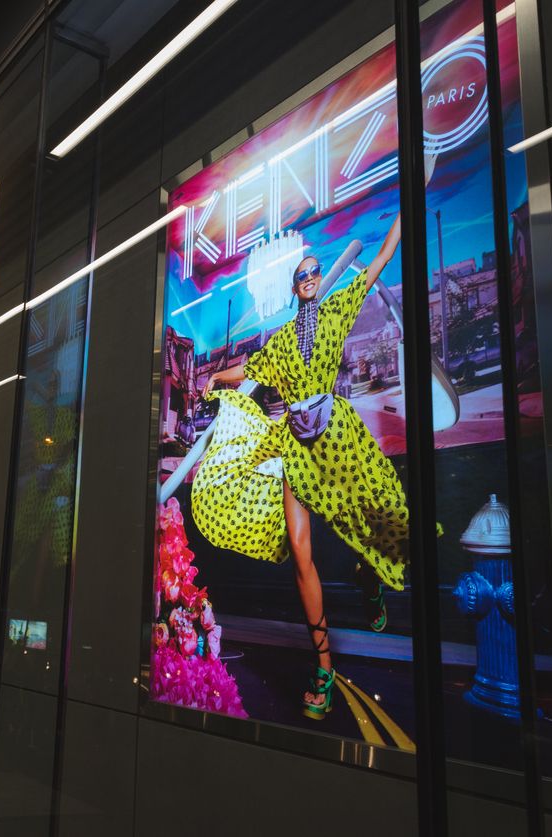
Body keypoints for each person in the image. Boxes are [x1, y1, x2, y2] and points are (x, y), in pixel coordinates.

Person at [192, 199, 426, 721]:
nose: (311, 278)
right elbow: (247, 369)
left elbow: (381, 258)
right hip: (296, 446)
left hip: (338, 439)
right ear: (294, 285)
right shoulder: (279, 344)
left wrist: (407, 206)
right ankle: (323, 663)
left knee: (377, 513)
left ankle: (370, 577)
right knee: (301, 551)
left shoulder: (340, 309)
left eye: (315, 271)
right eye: (302, 274)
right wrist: (214, 378)